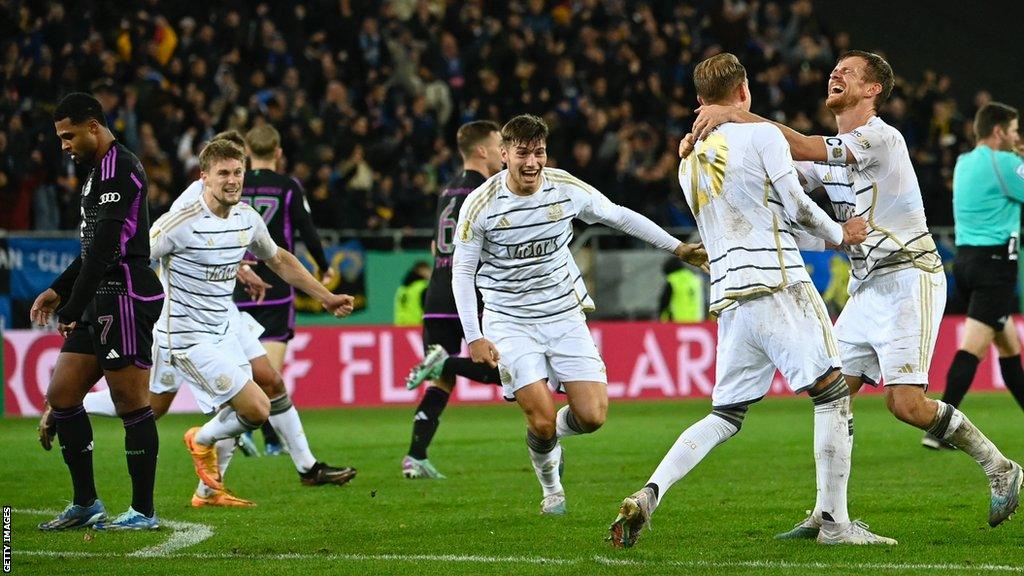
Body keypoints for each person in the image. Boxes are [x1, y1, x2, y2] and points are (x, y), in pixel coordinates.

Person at [687, 50, 1022, 531]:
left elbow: (803, 147)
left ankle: (1001, 468)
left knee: (905, 404)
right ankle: (828, 515)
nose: (835, 74)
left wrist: (734, 113)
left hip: (911, 277)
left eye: (848, 72)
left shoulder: (882, 138)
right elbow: (772, 183)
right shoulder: (830, 152)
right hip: (867, 289)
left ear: (872, 90)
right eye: (834, 70)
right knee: (831, 393)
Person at [608, 53, 889, 548]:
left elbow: (759, 214)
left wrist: (822, 237)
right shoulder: (760, 136)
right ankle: (836, 524)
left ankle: (652, 490)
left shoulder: (688, 159)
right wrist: (841, 234)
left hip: (730, 296)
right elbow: (797, 205)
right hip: (777, 282)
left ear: (701, 102)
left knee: (725, 415)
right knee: (832, 393)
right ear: (744, 92)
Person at [452, 114, 707, 514]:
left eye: (539, 152)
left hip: (563, 314)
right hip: (509, 320)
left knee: (592, 416)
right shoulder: (480, 205)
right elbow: (462, 271)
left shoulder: (564, 187)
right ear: (504, 155)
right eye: (523, 153)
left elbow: (618, 215)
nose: (533, 162)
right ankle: (552, 488)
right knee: (540, 419)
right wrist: (474, 335)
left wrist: (677, 247)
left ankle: (552, 438)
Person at [149, 139, 356, 505]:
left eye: (237, 172)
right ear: (204, 178)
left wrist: (325, 298)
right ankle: (199, 440)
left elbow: (279, 260)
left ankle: (208, 492)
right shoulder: (178, 222)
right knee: (256, 409)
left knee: (250, 402)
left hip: (223, 330)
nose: (232, 180)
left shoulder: (247, 218)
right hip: (185, 336)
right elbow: (130, 260)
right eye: (223, 173)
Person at [32, 92, 165, 530]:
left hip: (124, 293)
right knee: (63, 394)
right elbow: (91, 251)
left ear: (93, 126)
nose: (64, 145)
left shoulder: (119, 169)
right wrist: (59, 290)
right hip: (98, 296)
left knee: (131, 401)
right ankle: (86, 502)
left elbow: (107, 251)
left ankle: (143, 511)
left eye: (69, 136)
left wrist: (69, 305)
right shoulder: (95, 174)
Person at [400, 121, 507, 480]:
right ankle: (443, 363)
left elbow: (436, 246)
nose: (503, 153)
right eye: (498, 146)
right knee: (501, 373)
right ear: (481, 151)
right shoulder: (488, 191)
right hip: (471, 294)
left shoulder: (447, 191)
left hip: (437, 292)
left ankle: (415, 456)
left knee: (441, 385)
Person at [926, 102, 1024, 449]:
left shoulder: (964, 162)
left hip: (966, 263)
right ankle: (940, 429)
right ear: (999, 131)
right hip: (994, 265)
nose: (1016, 137)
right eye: (1013, 130)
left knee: (1010, 347)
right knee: (973, 347)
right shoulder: (1008, 163)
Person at [658, 258, 704, 323]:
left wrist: (661, 317)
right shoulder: (694, 279)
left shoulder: (673, 280)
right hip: (696, 321)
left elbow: (664, 302)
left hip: (677, 321)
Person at [394, 260, 431, 326]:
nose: (430, 273)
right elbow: (428, 309)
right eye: (428, 270)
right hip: (417, 327)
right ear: (421, 270)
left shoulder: (401, 289)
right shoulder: (422, 287)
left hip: (400, 327)